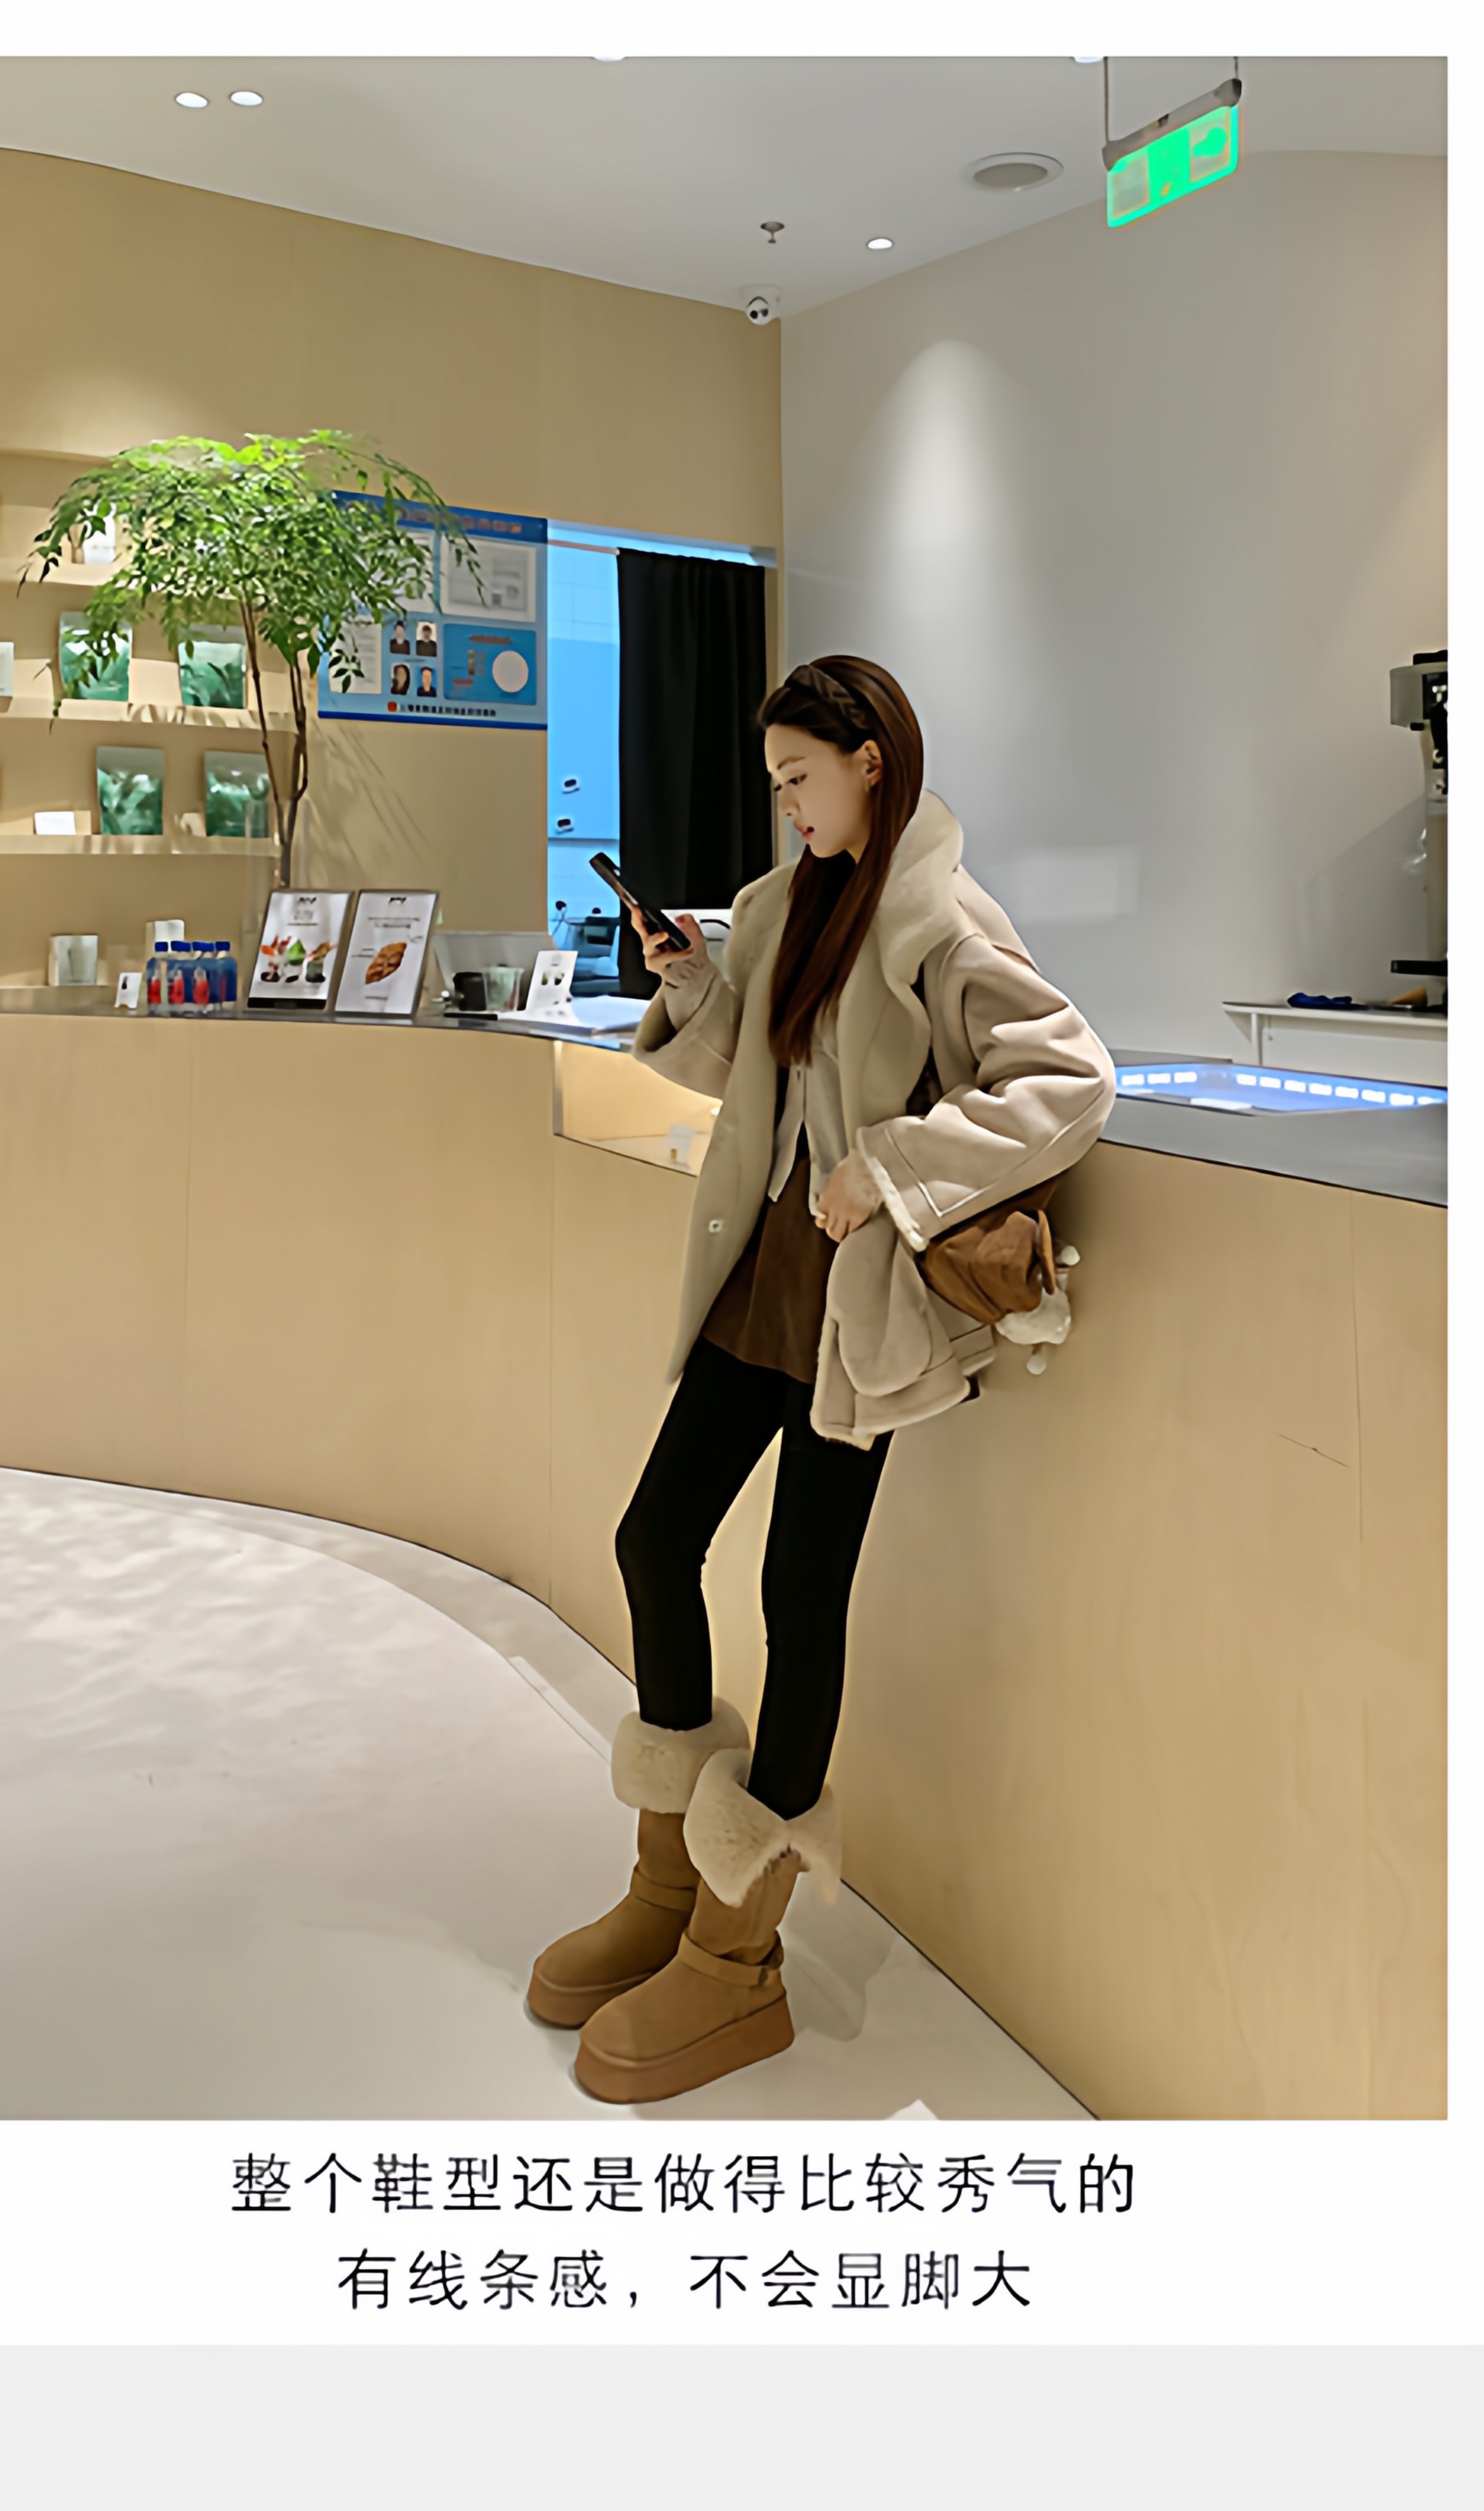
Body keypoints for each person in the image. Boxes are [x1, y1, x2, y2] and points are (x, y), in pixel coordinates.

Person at [528, 655, 1117, 2103]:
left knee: (802, 1597)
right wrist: (690, 979)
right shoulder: (782, 904)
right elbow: (749, 1072)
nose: (788, 801)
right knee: (655, 1537)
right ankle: (670, 1884)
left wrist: (895, 1165)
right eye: (777, 781)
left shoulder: (939, 915)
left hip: (857, 1309)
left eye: (802, 775)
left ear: (871, 761)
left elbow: (1070, 1076)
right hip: (759, 1277)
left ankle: (739, 1955)